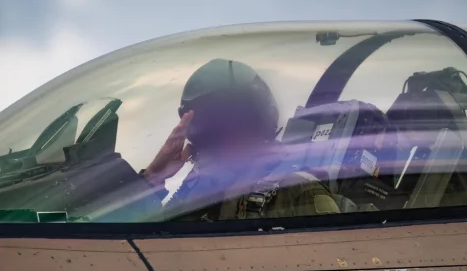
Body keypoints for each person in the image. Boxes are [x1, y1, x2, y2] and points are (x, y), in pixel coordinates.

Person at [140, 58, 340, 221]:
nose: (226, 136)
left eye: (237, 120)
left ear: (259, 122)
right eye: (213, 126)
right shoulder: (196, 193)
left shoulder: (299, 193)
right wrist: (153, 177)